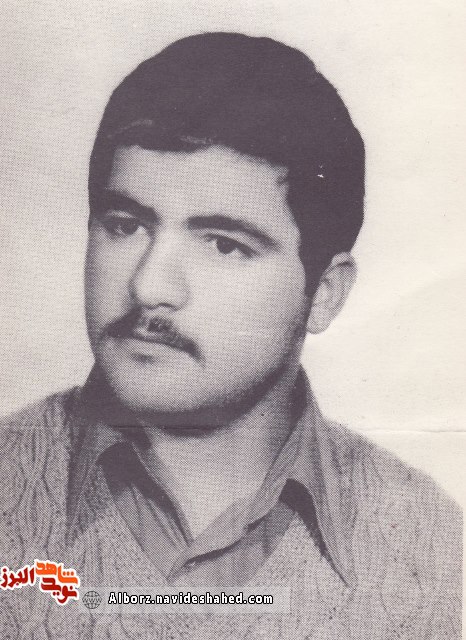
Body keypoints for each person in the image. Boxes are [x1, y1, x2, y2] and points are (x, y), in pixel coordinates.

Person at [0, 32, 461, 640]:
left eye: (223, 245)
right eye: (126, 225)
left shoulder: (434, 553)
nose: (149, 286)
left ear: (325, 293)